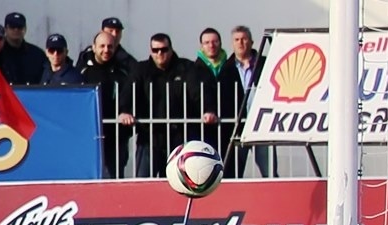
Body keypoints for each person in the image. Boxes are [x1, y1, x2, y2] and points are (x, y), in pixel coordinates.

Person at [118, 33, 218, 177]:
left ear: (171, 49)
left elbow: (198, 92)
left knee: (179, 181)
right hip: (150, 137)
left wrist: (208, 110)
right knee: (143, 183)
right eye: (155, 50)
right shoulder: (141, 70)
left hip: (180, 137)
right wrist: (125, 111)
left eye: (164, 50)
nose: (160, 54)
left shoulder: (186, 68)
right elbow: (128, 92)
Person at [217, 25, 277, 178]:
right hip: (237, 127)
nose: (240, 43)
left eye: (244, 39)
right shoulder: (226, 69)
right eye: (237, 40)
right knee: (233, 173)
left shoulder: (265, 64)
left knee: (269, 172)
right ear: (232, 44)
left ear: (251, 42)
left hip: (261, 125)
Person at [80, 31, 132, 178]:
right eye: (102, 46)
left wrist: (125, 111)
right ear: (94, 47)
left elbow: (127, 97)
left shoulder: (122, 72)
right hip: (89, 135)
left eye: (110, 46)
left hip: (116, 136)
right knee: (90, 178)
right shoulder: (83, 72)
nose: (106, 50)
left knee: (116, 178)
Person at [2, 12, 46, 84]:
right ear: (5, 29)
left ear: (25, 29)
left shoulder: (37, 54)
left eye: (20, 27)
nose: (16, 30)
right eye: (12, 27)